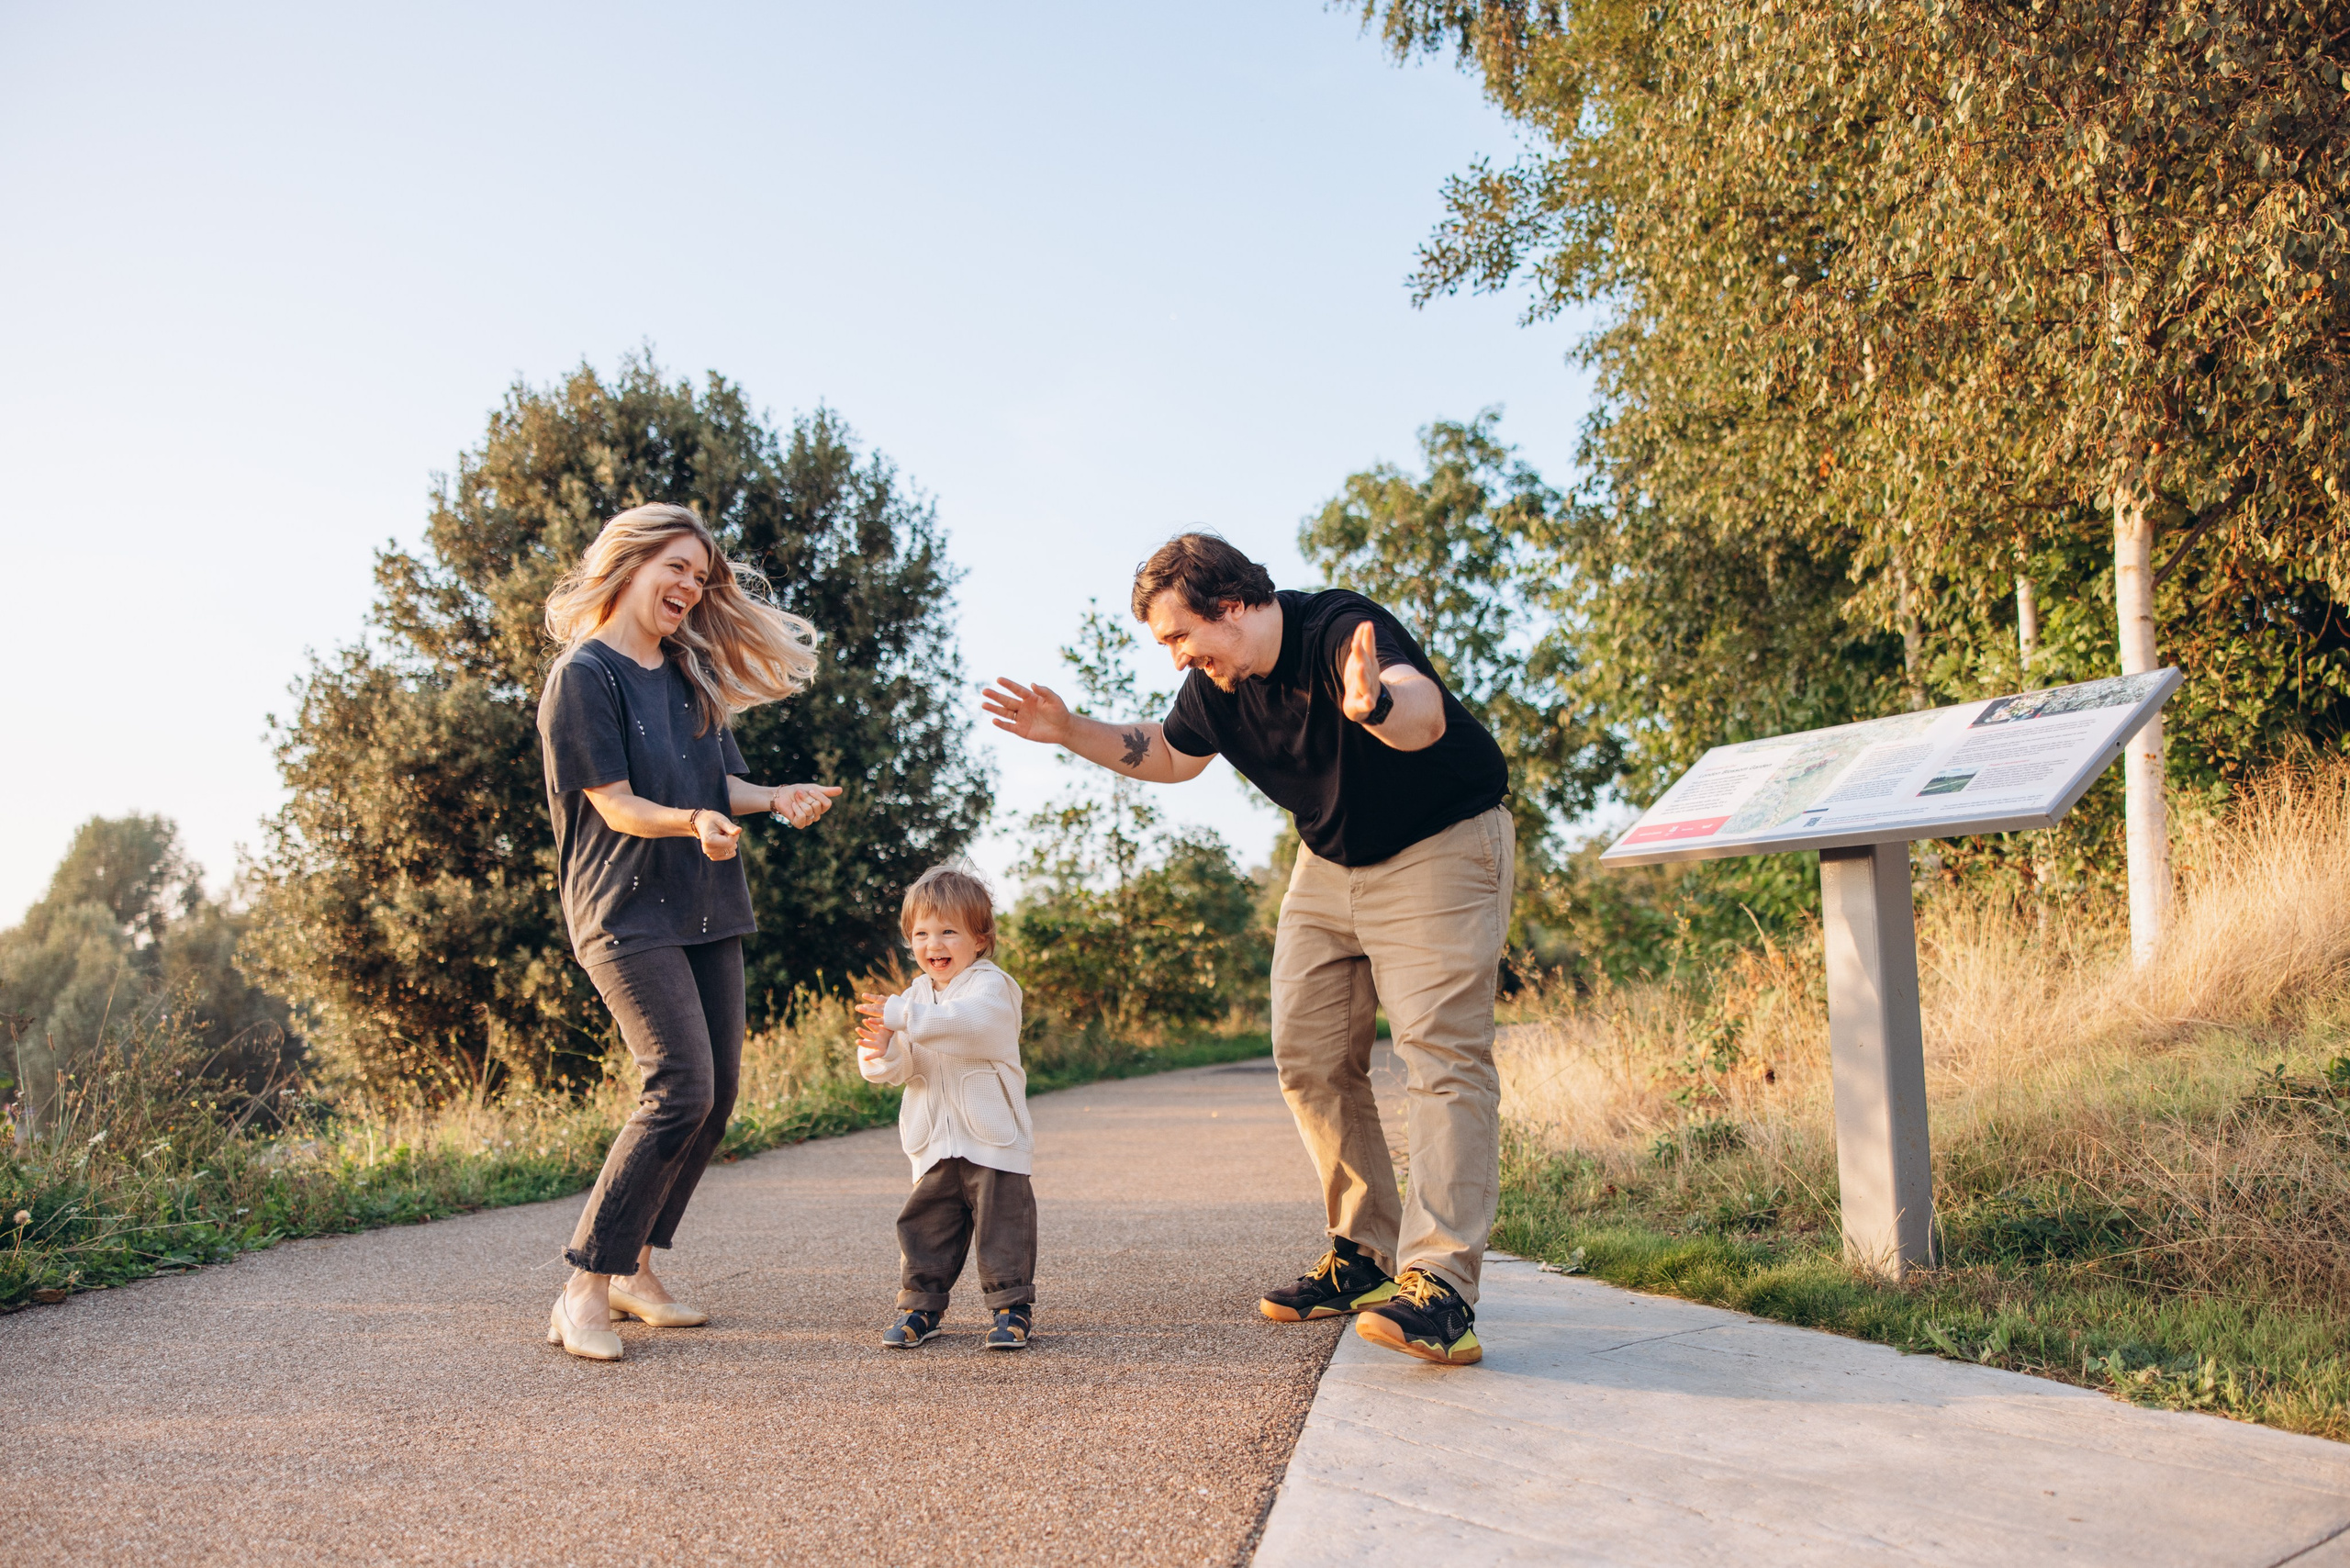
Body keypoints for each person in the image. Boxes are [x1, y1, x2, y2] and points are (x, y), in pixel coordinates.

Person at [981, 533, 1511, 1367]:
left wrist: (1370, 704)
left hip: (1439, 844)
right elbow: (1166, 753)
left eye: (1178, 636)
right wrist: (1065, 728)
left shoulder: (1339, 628)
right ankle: (1362, 1256)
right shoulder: (1216, 688)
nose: (1176, 658)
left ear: (1229, 604)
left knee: (1441, 1055)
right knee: (1308, 1056)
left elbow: (1423, 712)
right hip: (1332, 860)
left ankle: (1441, 1288)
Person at [536, 502, 843, 1361]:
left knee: (718, 1096)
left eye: (700, 578)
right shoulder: (584, 676)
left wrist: (776, 797)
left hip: (707, 906)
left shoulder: (688, 675)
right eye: (676, 567)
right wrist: (692, 822)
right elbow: (619, 805)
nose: (689, 587)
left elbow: (725, 783)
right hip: (625, 911)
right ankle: (584, 1289)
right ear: (628, 564)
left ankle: (634, 1267)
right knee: (677, 1085)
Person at [854, 863, 1037, 1350]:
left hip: (991, 1136)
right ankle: (920, 1308)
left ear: (979, 938)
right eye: (921, 933)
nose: (934, 944)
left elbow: (972, 1027)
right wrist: (881, 1051)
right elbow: (904, 1068)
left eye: (949, 931)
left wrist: (902, 1015)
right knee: (925, 1226)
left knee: (1003, 1224)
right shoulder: (914, 996)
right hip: (934, 1138)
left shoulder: (990, 987)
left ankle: (1010, 1307)